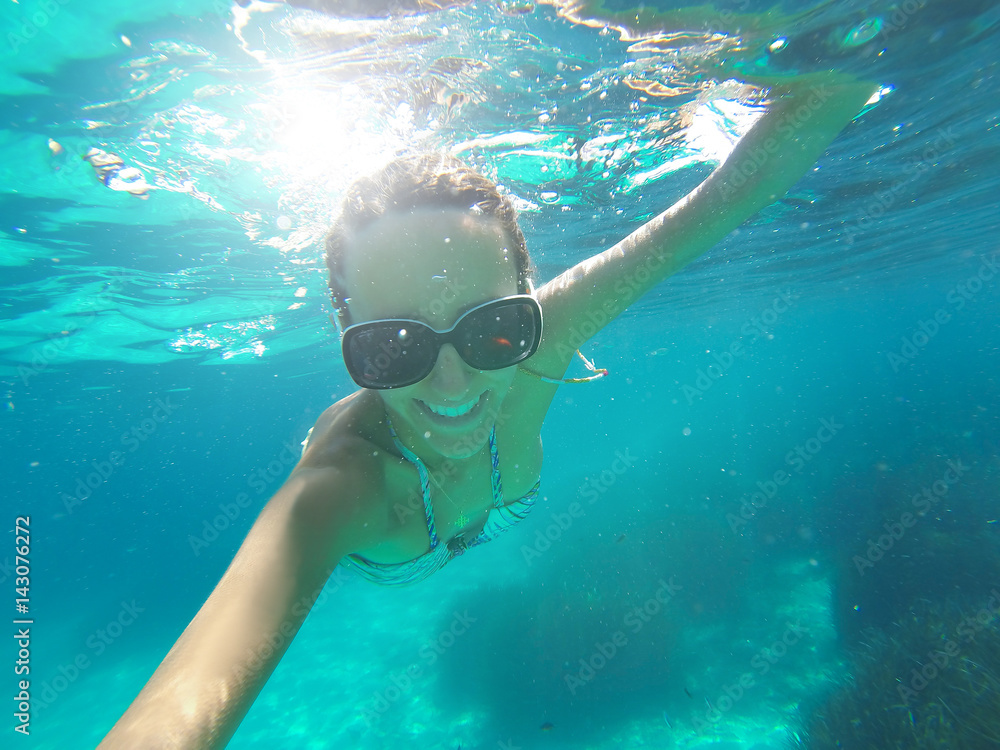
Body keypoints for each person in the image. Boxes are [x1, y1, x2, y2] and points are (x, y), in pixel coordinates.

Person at [99, 71, 875, 748]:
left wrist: (853, 61)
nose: (452, 386)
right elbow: (184, 705)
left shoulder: (549, 337)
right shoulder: (338, 492)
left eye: (492, 330)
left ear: (528, 306)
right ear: (345, 339)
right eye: (392, 348)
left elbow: (724, 201)